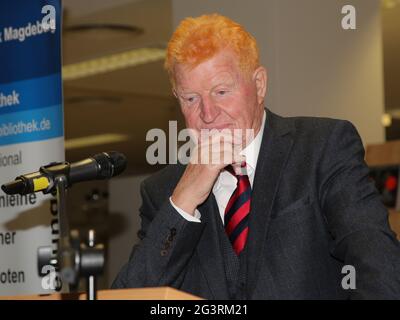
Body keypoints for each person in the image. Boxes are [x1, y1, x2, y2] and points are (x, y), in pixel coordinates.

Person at [112, 14, 400, 299]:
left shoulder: (321, 148)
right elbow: (132, 295)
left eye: (221, 91)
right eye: (191, 98)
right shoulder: (163, 191)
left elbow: (379, 268)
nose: (208, 114)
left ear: (259, 84)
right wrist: (184, 202)